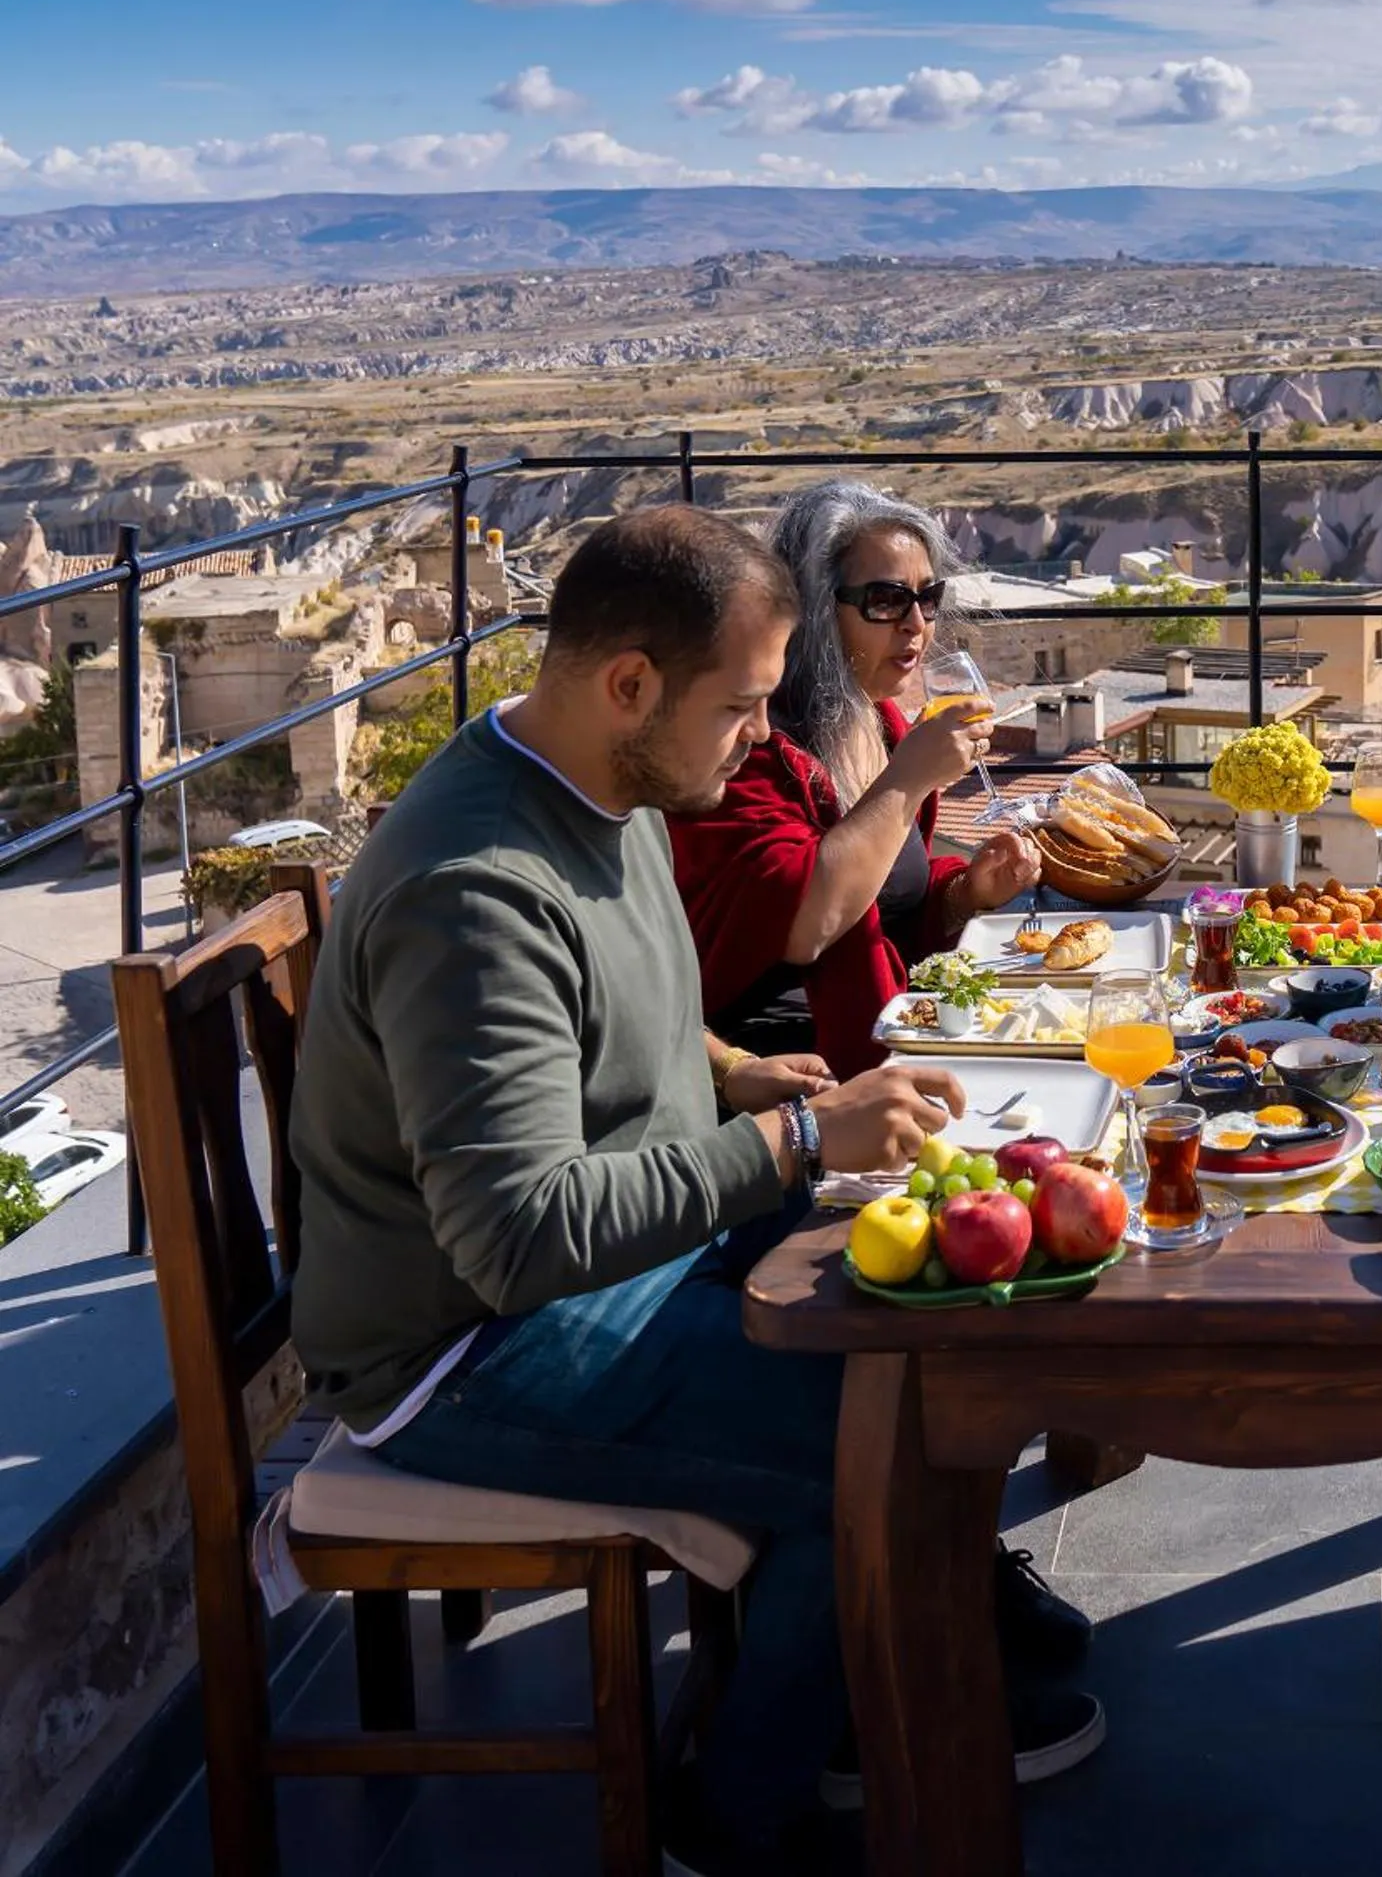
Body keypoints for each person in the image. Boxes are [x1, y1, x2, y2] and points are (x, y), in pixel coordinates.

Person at [290, 505, 1101, 1877]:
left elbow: (618, 1025)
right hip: (475, 1346)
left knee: (944, 1311)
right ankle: (739, 1807)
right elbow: (517, 1237)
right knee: (888, 1438)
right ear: (628, 683)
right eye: (741, 707)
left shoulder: (598, 787)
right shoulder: (477, 888)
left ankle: (849, 1670)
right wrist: (792, 1152)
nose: (758, 741)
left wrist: (736, 1074)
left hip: (620, 1263)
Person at [670, 480, 1040, 1081]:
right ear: (816, 609)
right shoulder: (749, 748)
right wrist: (907, 781)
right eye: (886, 600)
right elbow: (806, 926)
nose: (916, 623)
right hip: (790, 1066)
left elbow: (891, 908)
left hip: (889, 1026)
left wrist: (965, 893)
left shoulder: (882, 722)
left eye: (928, 596)